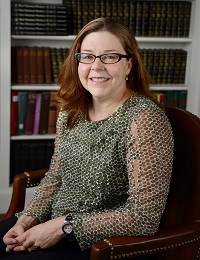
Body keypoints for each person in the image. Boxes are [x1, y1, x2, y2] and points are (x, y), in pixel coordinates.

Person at [0, 17, 174, 259]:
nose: (97, 66)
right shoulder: (72, 110)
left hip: (103, 245)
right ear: (78, 62)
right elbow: (55, 177)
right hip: (53, 226)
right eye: (88, 56)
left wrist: (63, 226)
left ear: (129, 65)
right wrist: (27, 221)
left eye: (110, 57)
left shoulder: (145, 120)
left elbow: (143, 217)